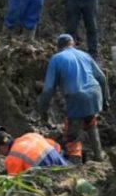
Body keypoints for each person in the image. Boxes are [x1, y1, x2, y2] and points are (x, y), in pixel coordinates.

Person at [37, 33, 110, 163]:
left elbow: (48, 89)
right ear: (73, 44)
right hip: (95, 93)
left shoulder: (56, 59)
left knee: (72, 133)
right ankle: (99, 156)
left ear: (58, 47)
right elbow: (102, 78)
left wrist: (43, 110)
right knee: (90, 121)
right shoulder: (85, 55)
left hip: (77, 96)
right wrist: (105, 100)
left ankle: (75, 163)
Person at [0, 125, 70, 176]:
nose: (0, 154)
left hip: (51, 181)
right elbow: (57, 147)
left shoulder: (11, 159)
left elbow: (14, 184)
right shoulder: (31, 135)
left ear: (1, 146)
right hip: (68, 170)